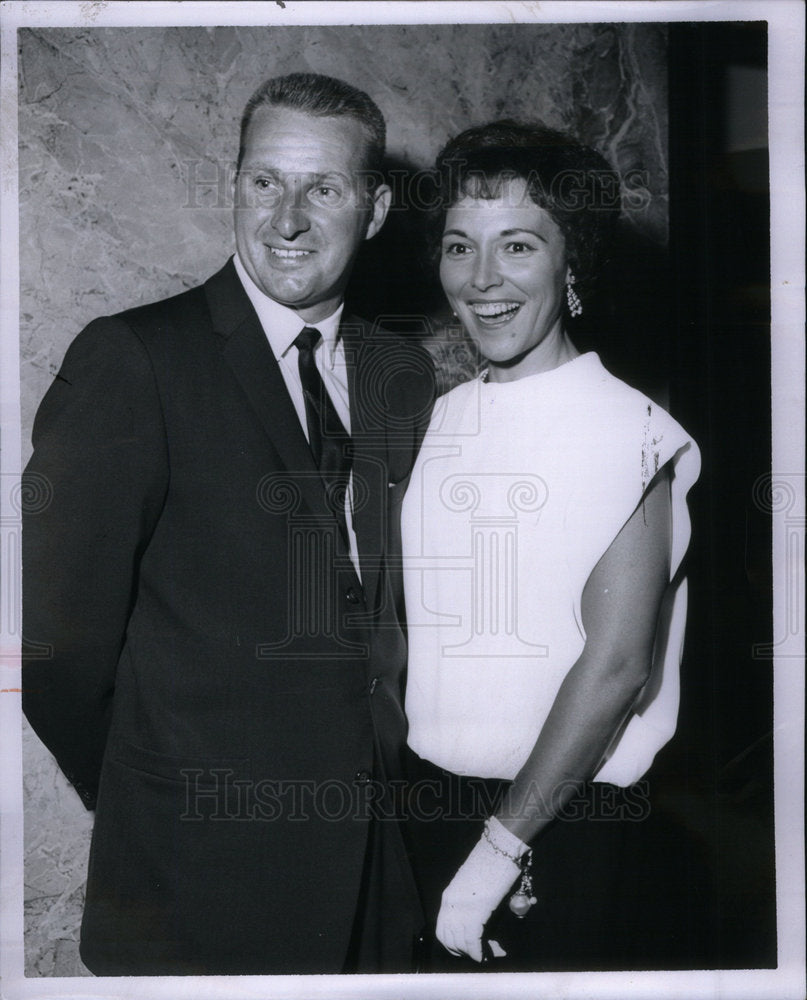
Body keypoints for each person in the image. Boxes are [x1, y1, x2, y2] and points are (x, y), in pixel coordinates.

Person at [22, 72, 435, 976]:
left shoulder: (400, 373)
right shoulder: (132, 360)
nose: (284, 218)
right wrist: (155, 801)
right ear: (235, 185)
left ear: (373, 210)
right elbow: (57, 657)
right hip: (195, 883)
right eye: (263, 181)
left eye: (322, 188)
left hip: (377, 878)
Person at [401, 121, 701, 971]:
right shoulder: (445, 417)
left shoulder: (631, 434)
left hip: (553, 828)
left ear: (573, 267)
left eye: (519, 246)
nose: (482, 279)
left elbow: (615, 669)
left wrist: (499, 850)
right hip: (428, 806)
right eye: (460, 246)